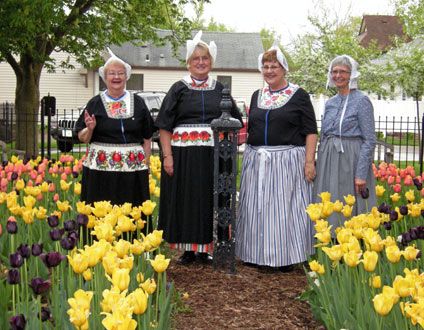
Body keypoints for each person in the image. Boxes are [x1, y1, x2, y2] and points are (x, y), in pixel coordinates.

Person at [155, 31, 243, 265]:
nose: (201, 63)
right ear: (189, 63)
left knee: (208, 199)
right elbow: (164, 126)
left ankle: (206, 247)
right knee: (185, 197)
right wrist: (167, 157)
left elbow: (237, 122)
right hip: (183, 154)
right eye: (196, 59)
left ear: (211, 62)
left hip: (212, 156)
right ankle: (187, 249)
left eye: (205, 59)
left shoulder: (220, 90)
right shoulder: (178, 89)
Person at [235, 43, 318, 273]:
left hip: (286, 162)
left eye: (274, 66)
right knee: (256, 208)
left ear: (284, 69)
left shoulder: (298, 95)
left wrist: (309, 162)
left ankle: (283, 257)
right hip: (257, 160)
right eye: (265, 67)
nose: (269, 71)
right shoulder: (257, 95)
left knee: (282, 210)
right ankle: (254, 253)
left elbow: (311, 131)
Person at [75, 49, 154, 212]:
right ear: (105, 77)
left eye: (120, 73)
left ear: (126, 77)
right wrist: (90, 129)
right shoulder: (95, 103)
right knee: (103, 212)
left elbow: (147, 137)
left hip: (133, 169)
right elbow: (82, 137)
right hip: (101, 171)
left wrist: (146, 164)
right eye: (111, 73)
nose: (116, 77)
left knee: (133, 212)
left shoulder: (138, 103)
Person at [313, 54, 377, 231]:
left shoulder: (362, 101)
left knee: (349, 203)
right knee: (329, 200)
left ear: (352, 74)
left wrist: (361, 173)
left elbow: (369, 139)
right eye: (334, 72)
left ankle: (352, 247)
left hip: (351, 160)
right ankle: (330, 242)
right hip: (329, 159)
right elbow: (325, 135)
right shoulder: (330, 103)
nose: (338, 76)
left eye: (343, 72)